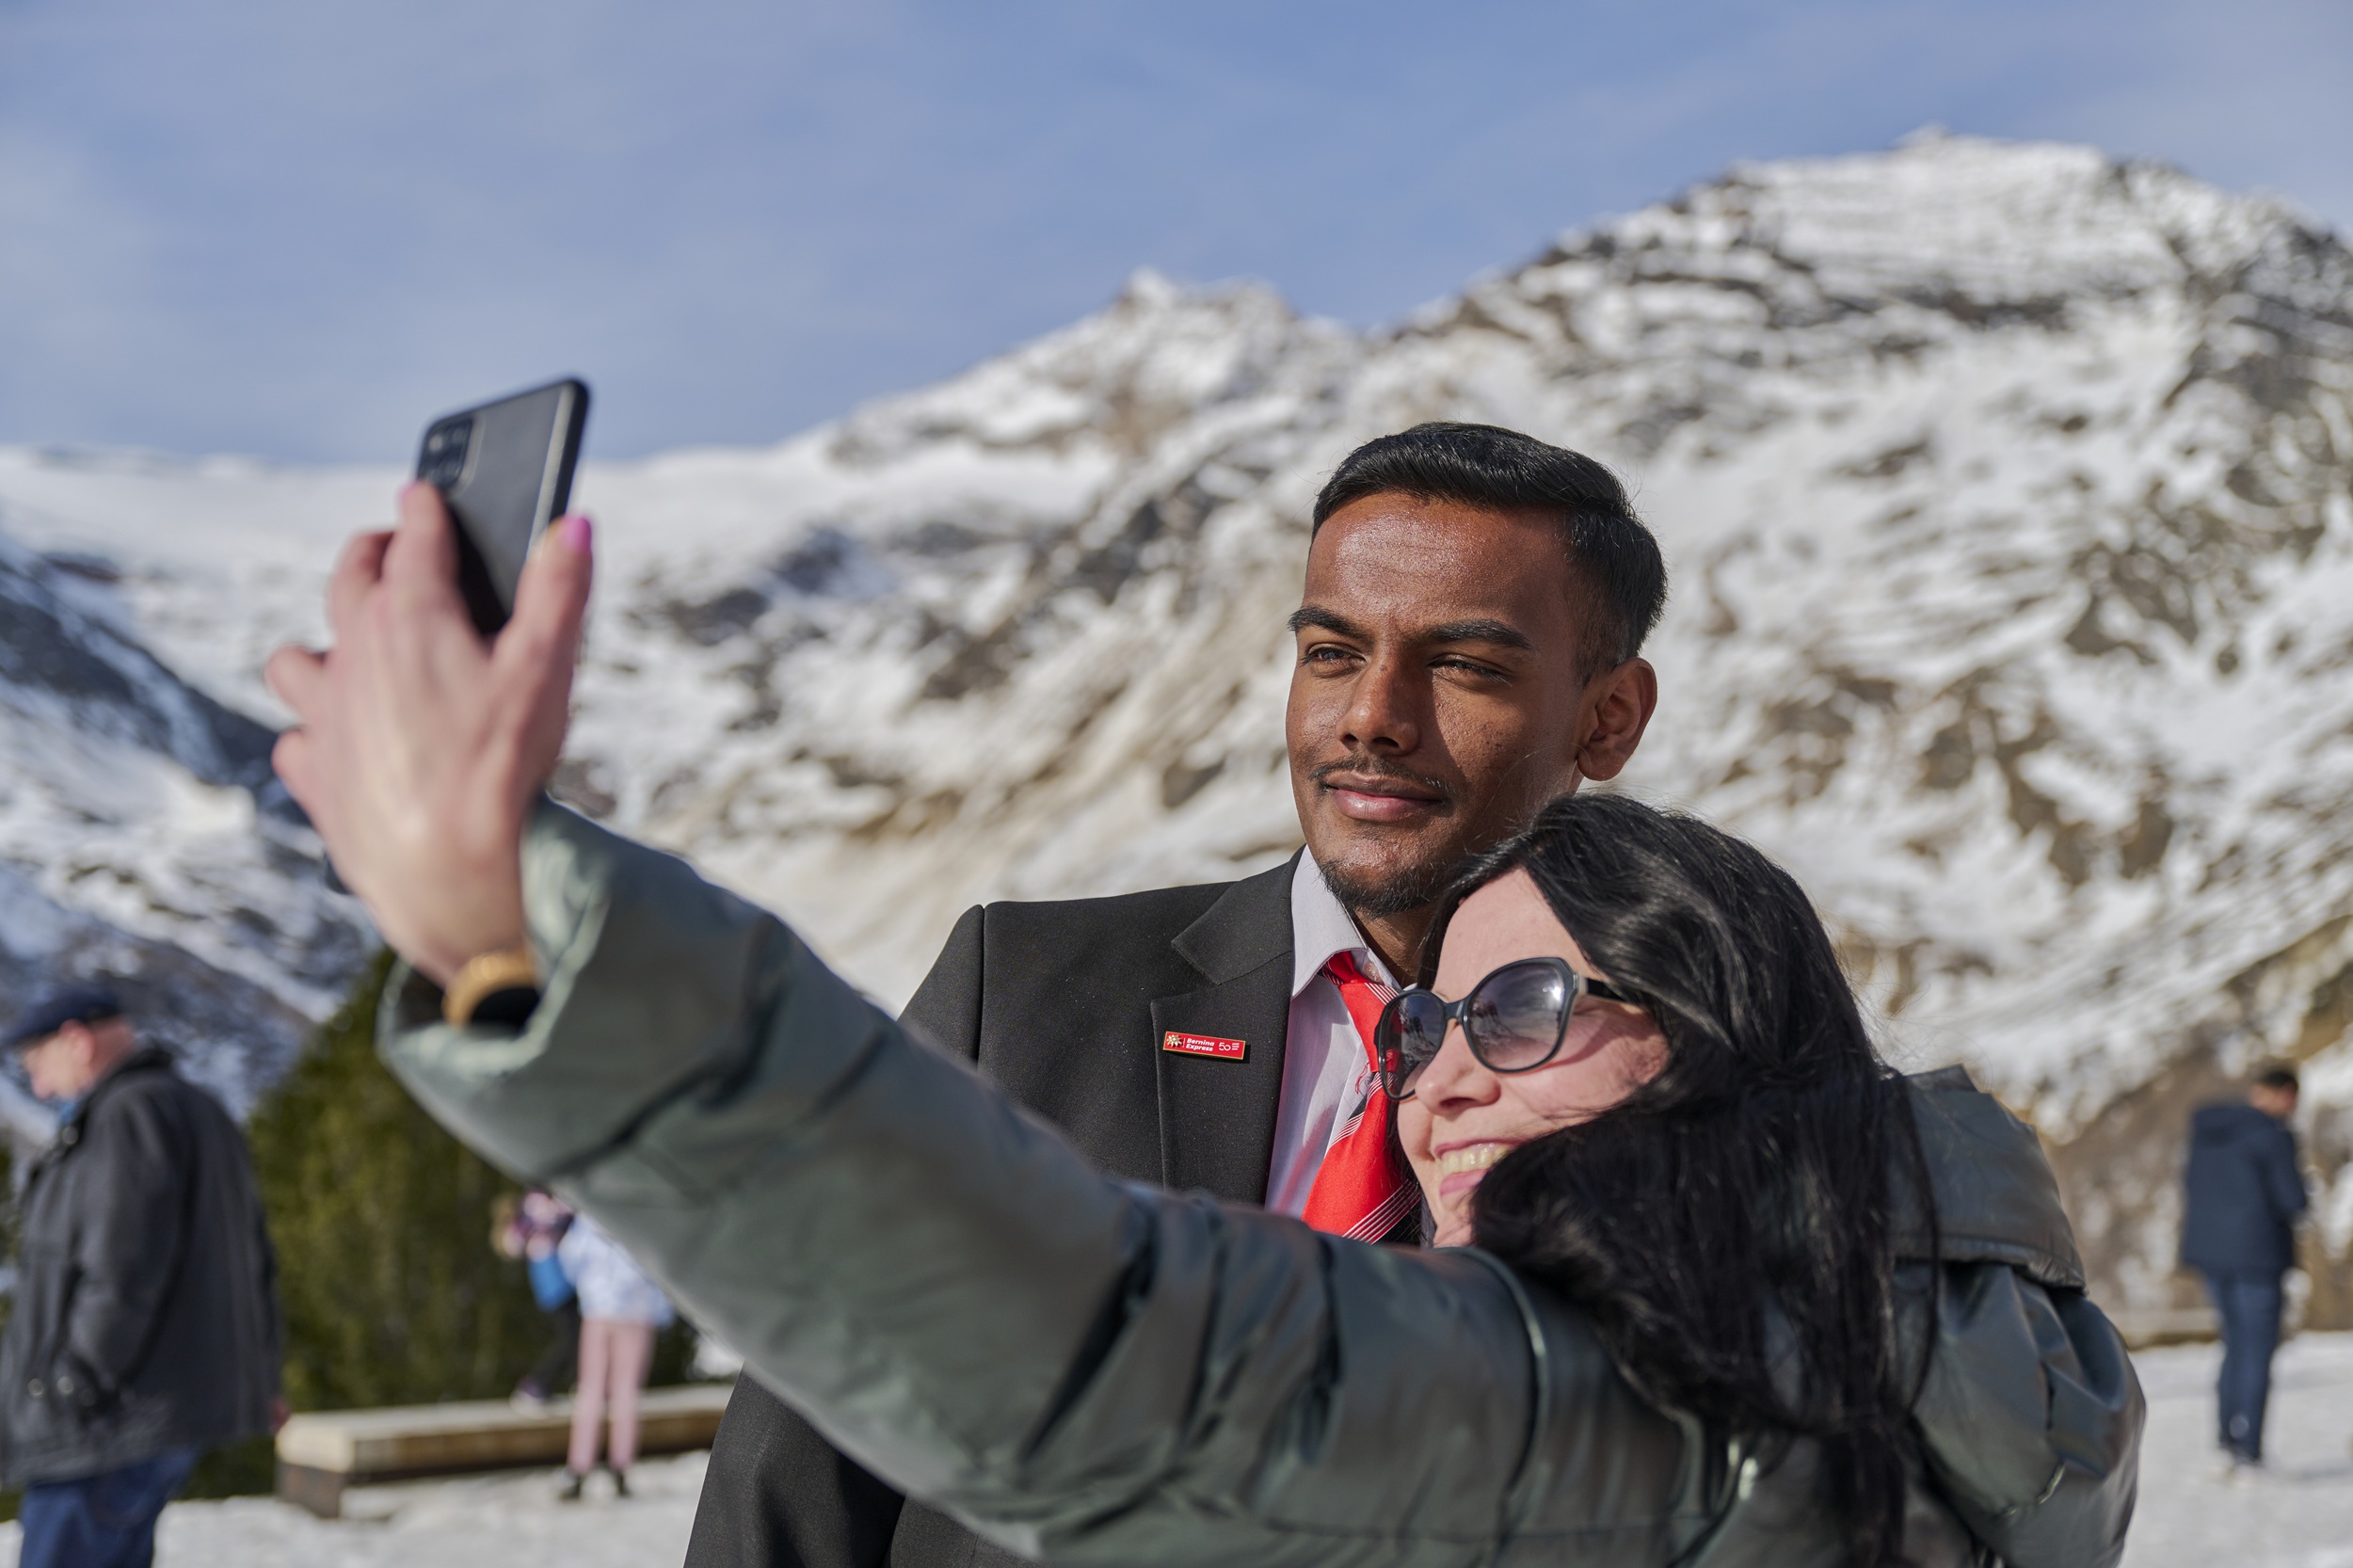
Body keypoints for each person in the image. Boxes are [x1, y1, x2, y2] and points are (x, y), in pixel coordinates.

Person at [263, 476, 2141, 1564]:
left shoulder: (1641, 1396)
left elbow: (1097, 1344)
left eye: (1518, 1006)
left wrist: (513, 926)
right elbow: (801, 1472)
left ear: (1715, 1034)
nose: (1439, 1074)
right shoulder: (1978, 1353)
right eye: (1421, 1027)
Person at [677, 422, 1665, 1565]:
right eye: (1331, 652)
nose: (1371, 715)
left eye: (1463, 666)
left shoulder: (1680, 1069)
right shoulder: (1025, 997)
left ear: (1609, 717)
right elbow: (794, 1467)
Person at [0, 984, 282, 1568]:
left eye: (37, 1063)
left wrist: (75, 1382)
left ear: (76, 1041)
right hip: (153, 1416)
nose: (40, 1086)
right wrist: (266, 1374)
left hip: (106, 1425)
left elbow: (123, 1264)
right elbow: (255, 1261)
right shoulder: (198, 1108)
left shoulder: (127, 1115)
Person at [2180, 1064, 2308, 1470]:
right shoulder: (2273, 1135)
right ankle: (2249, 1449)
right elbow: (2292, 1200)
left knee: (2233, 1345)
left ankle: (2225, 1438)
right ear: (2286, 1094)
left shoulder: (2208, 1131)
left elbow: (2191, 1186)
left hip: (2212, 1255)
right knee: (2257, 1350)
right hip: (2259, 1255)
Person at [555, 1212, 675, 1499]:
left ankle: (592, 1467)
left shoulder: (593, 1214)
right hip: (625, 1312)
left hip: (611, 1311)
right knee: (613, 1391)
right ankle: (605, 1466)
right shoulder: (637, 1215)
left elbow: (571, 1256)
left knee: (606, 1391)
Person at [497, 1187, 581, 1411]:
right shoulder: (535, 1207)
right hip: (555, 1282)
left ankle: (580, 1383)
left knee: (577, 1336)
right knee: (573, 1338)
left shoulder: (533, 1210)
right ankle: (537, 1384)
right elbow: (512, 1243)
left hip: (558, 1280)